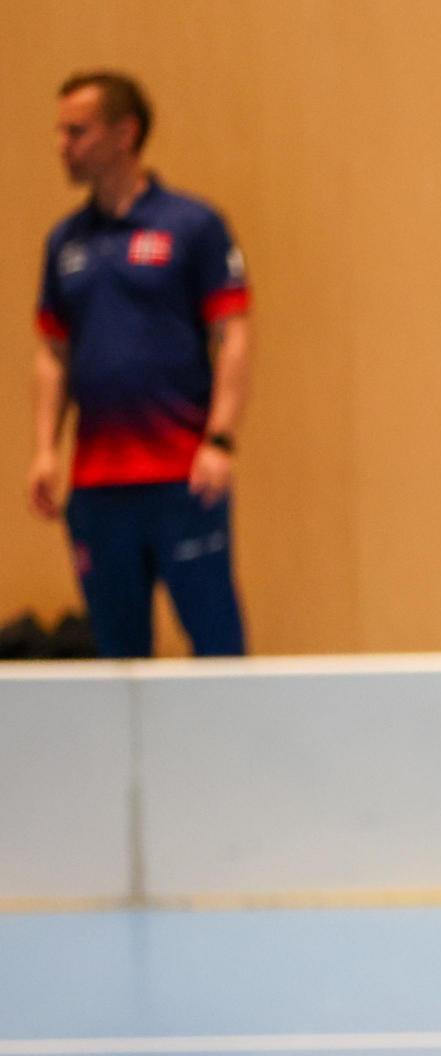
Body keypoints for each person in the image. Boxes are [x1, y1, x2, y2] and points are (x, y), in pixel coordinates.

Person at [27, 71, 251, 657]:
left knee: (217, 647)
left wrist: (220, 440)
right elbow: (53, 354)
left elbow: (233, 335)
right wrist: (46, 449)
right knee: (117, 657)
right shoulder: (65, 243)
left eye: (77, 131)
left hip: (182, 477)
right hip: (99, 487)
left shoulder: (192, 226)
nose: (62, 146)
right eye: (60, 132)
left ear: (125, 134)